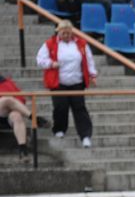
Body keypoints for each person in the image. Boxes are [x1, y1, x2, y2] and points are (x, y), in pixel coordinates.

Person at [36, 20, 97, 148]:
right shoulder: (49, 43)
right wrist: (51, 64)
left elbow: (89, 59)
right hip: (58, 82)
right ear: (58, 32)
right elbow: (40, 59)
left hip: (77, 82)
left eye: (69, 33)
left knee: (80, 108)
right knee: (60, 107)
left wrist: (92, 74)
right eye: (64, 33)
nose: (66, 36)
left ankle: (85, 136)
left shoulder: (81, 43)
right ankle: (59, 129)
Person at [0, 74, 42, 159]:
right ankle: (34, 118)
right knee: (7, 99)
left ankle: (23, 149)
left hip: (5, 114)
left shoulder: (5, 82)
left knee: (17, 116)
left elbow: (20, 99)